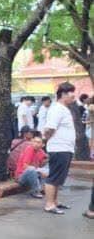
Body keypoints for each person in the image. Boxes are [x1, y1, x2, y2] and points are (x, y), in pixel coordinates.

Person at [43, 81, 76, 215]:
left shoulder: (62, 108)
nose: (73, 97)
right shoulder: (57, 109)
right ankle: (49, 204)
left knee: (58, 178)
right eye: (71, 94)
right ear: (63, 94)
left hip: (65, 148)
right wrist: (46, 140)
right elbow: (49, 128)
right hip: (59, 148)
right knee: (54, 177)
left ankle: (55, 202)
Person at [14, 133, 48, 198]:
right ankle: (35, 191)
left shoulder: (40, 151)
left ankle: (43, 188)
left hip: (34, 174)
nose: (35, 144)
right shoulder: (30, 149)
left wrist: (46, 160)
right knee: (32, 169)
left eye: (38, 142)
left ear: (43, 145)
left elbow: (42, 163)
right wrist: (40, 171)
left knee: (48, 170)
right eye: (34, 142)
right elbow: (25, 166)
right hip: (21, 176)